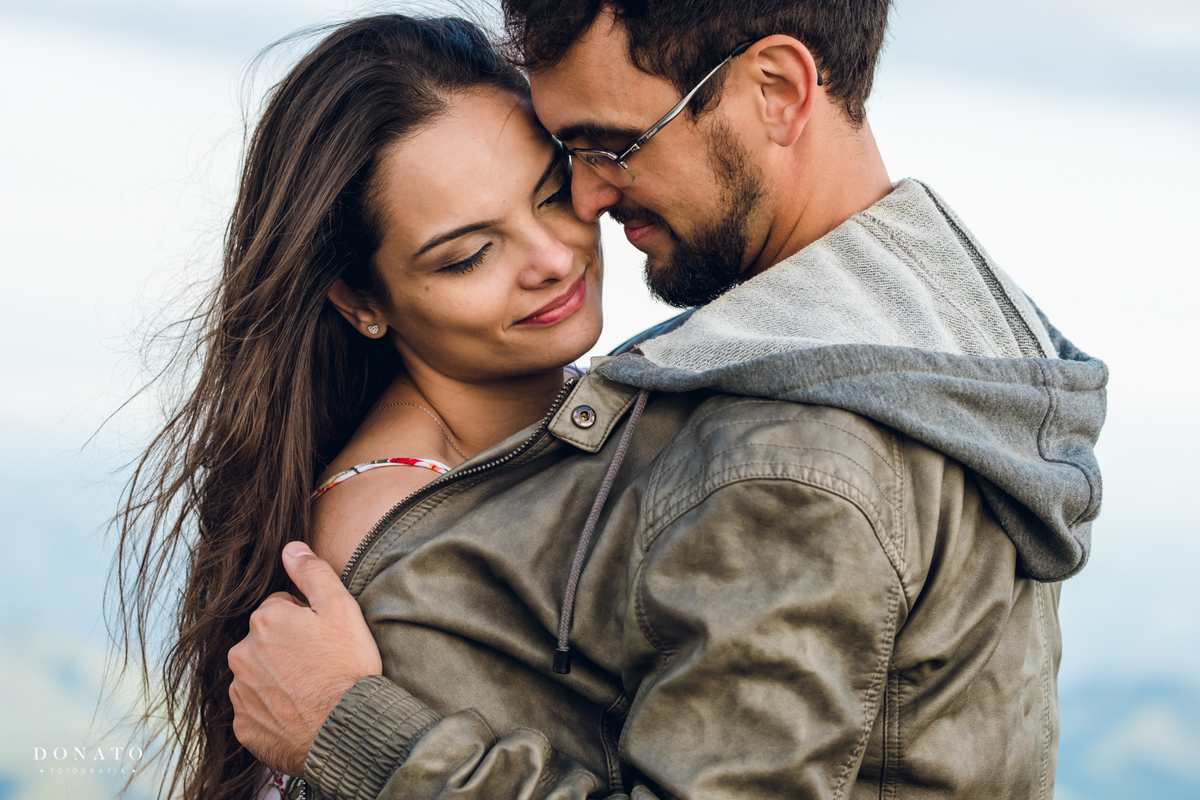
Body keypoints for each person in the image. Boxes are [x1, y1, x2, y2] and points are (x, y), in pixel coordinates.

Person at [228, 1, 1108, 798]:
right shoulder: (943, 344)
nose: (585, 202)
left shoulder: (793, 449)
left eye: (610, 146)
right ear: (362, 298)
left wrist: (358, 734)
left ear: (778, 90)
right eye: (468, 254)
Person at [112, 14, 604, 800]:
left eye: (551, 195)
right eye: (470, 254)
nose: (552, 258)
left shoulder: (577, 407)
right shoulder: (404, 537)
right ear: (362, 299)